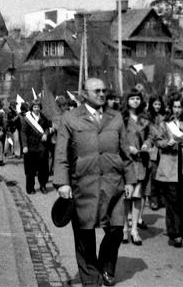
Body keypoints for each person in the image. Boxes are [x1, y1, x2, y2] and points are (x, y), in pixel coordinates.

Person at [54, 77, 135, 286]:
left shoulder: (116, 118)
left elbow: (125, 152)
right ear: (84, 94)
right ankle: (90, 278)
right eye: (96, 91)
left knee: (117, 229)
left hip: (113, 184)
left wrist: (130, 180)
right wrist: (62, 182)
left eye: (103, 90)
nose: (101, 94)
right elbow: (61, 154)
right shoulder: (70, 118)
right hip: (84, 185)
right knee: (84, 233)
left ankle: (107, 265)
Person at [154, 91, 183, 249]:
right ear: (171, 107)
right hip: (170, 164)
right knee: (172, 200)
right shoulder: (164, 122)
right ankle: (175, 233)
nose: (177, 110)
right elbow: (157, 141)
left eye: (180, 107)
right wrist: (167, 143)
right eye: (175, 107)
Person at [121, 88, 148, 245]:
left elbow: (152, 135)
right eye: (132, 99)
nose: (135, 101)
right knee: (126, 197)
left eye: (138, 98)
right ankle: (124, 228)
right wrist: (127, 147)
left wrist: (146, 144)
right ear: (127, 100)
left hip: (140, 162)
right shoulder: (122, 119)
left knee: (137, 197)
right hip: (126, 163)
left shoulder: (144, 119)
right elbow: (117, 138)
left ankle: (134, 230)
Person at [21, 99, 52, 193]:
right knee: (31, 169)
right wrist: (24, 146)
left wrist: (46, 134)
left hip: (42, 146)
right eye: (35, 107)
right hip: (30, 146)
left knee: (43, 168)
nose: (36, 109)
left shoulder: (43, 117)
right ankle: (30, 188)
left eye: (38, 107)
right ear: (31, 108)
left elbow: (47, 127)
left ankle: (43, 185)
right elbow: (23, 132)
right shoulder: (27, 118)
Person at [146, 95, 166, 211]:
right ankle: (153, 200)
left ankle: (162, 199)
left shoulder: (164, 116)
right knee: (153, 176)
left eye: (159, 104)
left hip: (163, 150)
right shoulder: (147, 117)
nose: (157, 106)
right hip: (152, 150)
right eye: (155, 104)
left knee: (163, 176)